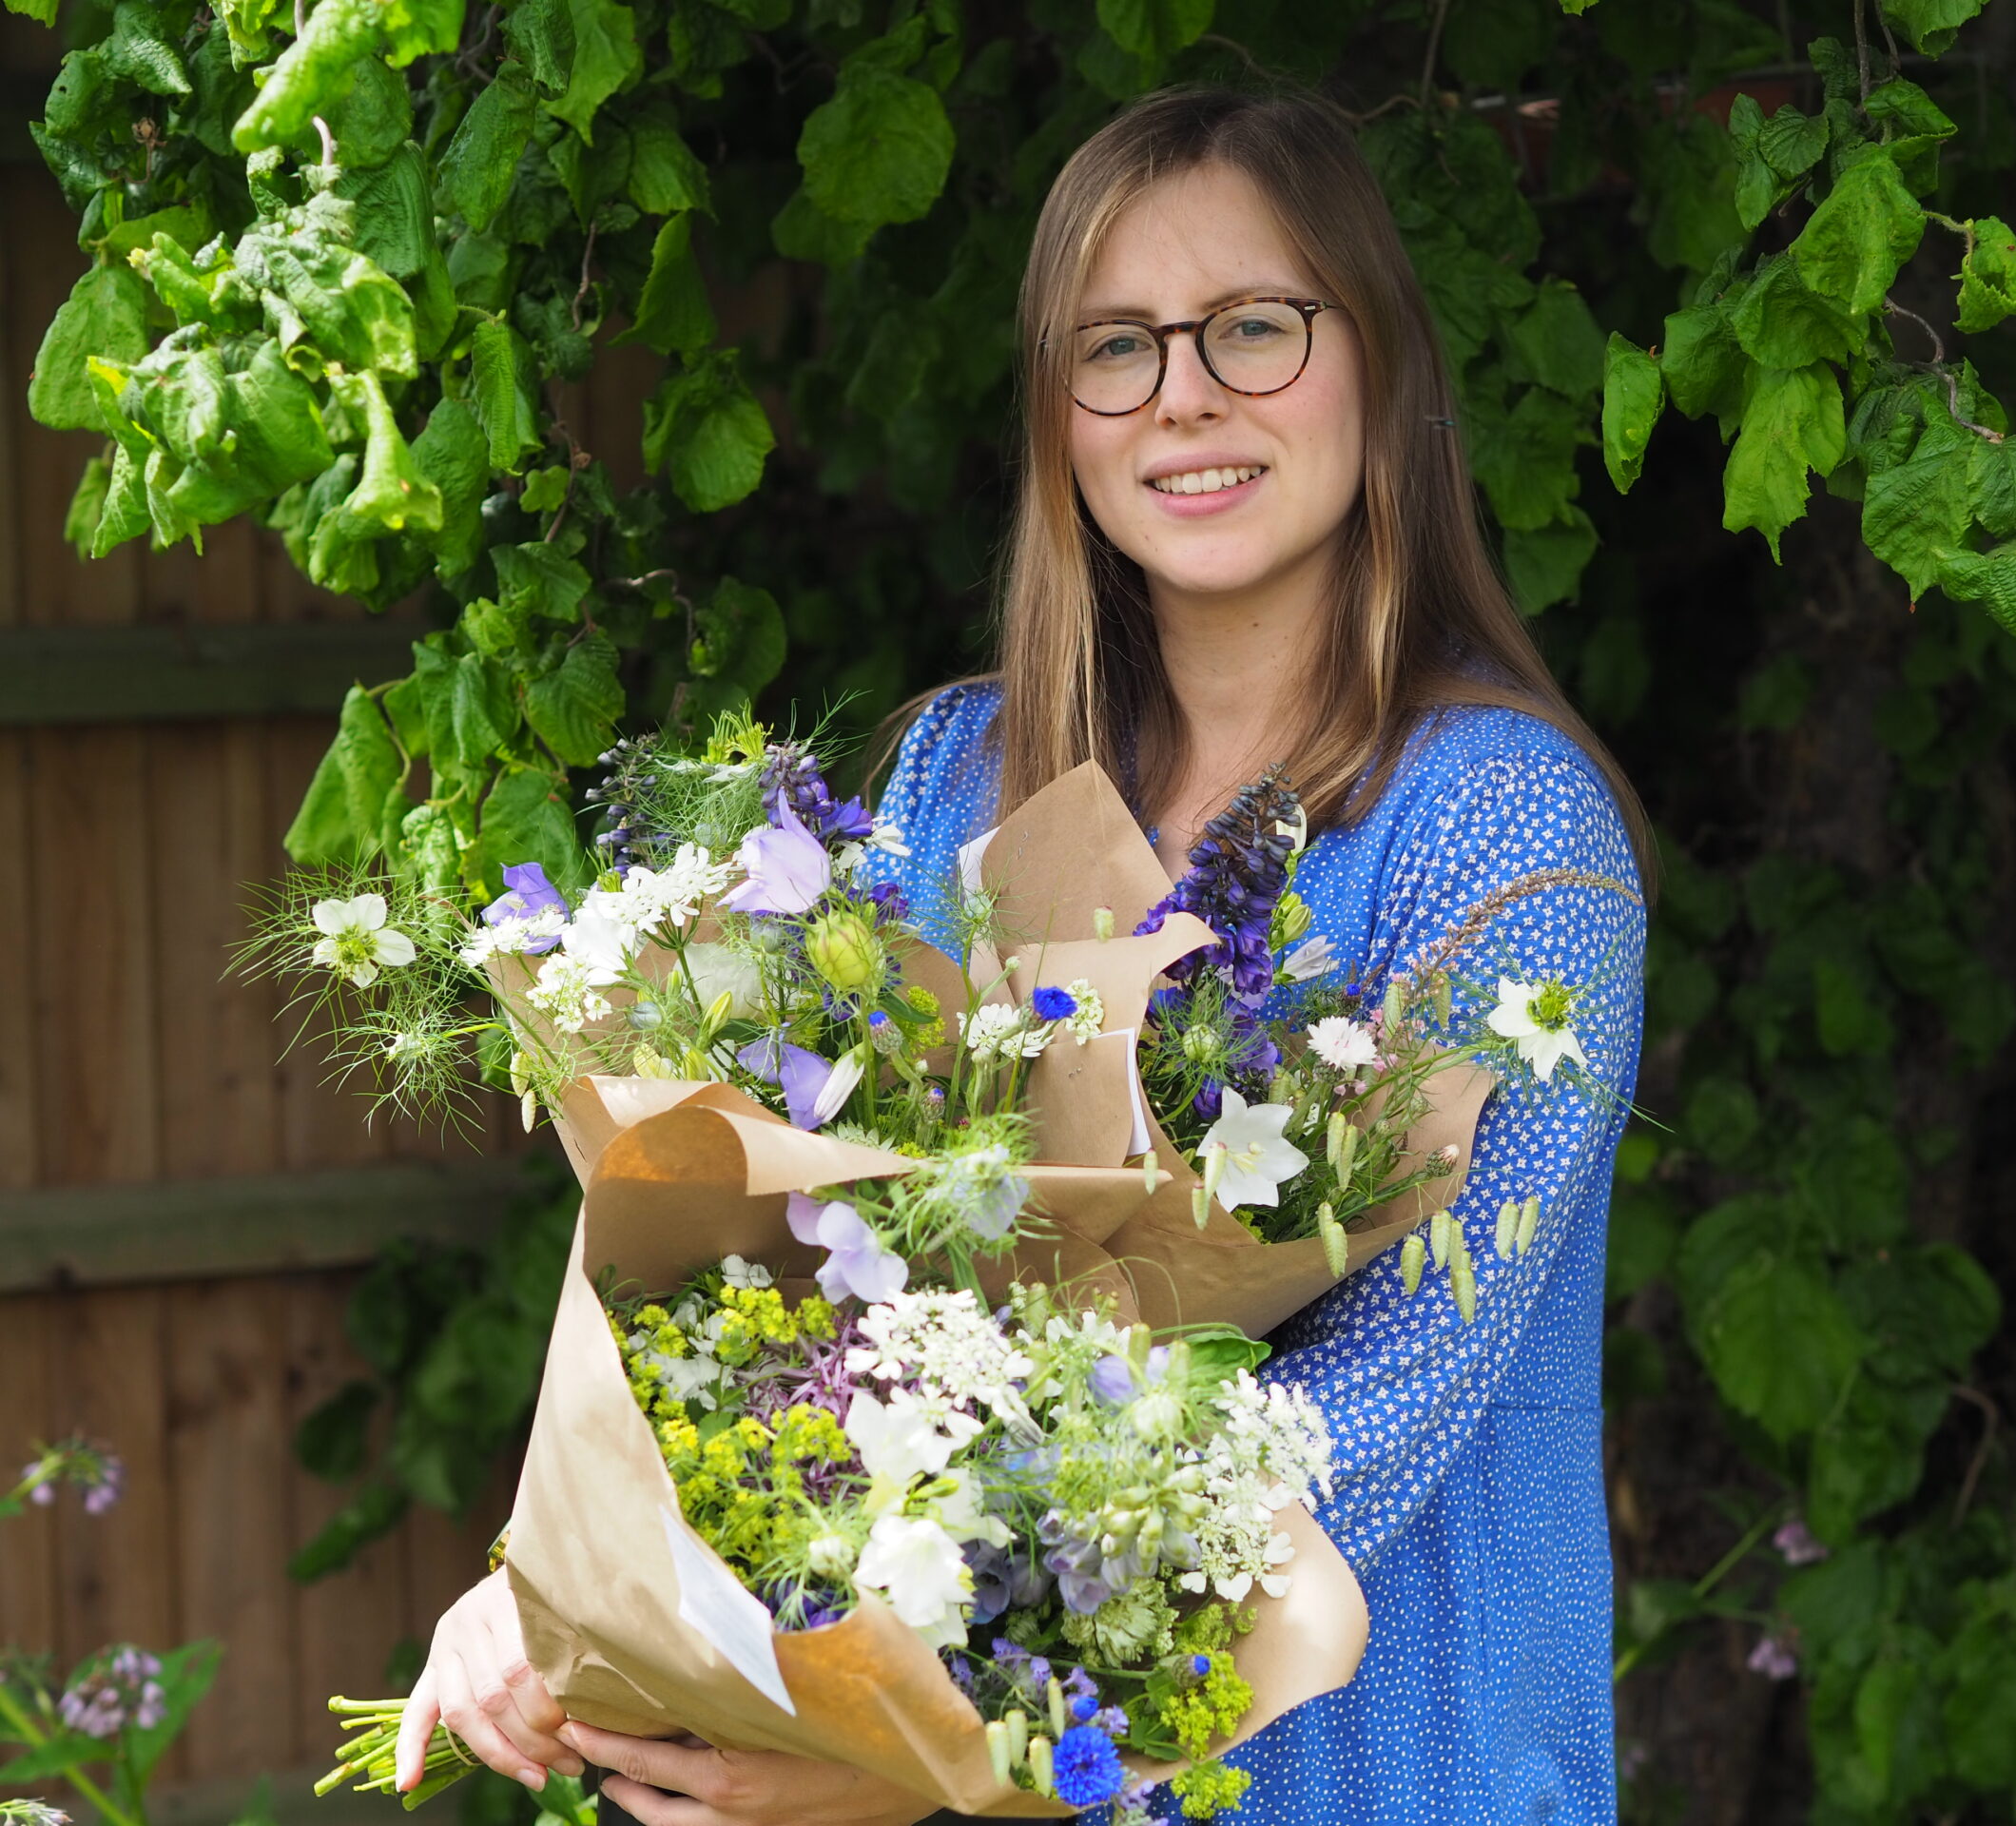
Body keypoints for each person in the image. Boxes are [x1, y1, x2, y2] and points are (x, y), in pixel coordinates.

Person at [397, 84, 1648, 1826]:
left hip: (1377, 1770)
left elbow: (1378, 1406)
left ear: (1381, 359)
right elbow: (778, 1294)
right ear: (1060, 417)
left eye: (1255, 326)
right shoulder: (952, 779)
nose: (1184, 395)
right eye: (1115, 346)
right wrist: (553, 1589)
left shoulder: (1504, 830)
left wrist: (916, 1761)